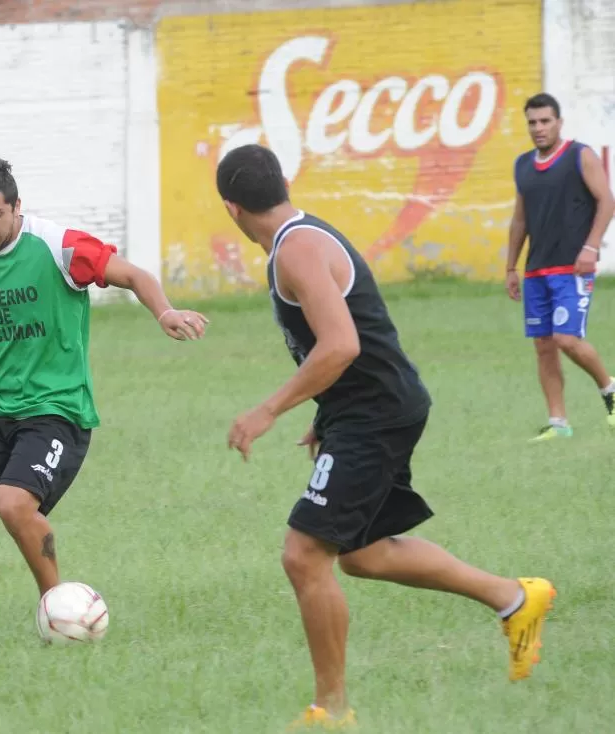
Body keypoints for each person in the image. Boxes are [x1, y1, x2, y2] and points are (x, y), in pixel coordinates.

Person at [217, 143, 556, 729]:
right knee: (364, 555)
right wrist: (326, 416)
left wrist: (267, 410)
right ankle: (516, 598)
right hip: (370, 408)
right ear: (283, 183)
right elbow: (359, 340)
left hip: (378, 413)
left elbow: (343, 344)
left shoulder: (296, 249)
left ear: (231, 208)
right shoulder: (301, 238)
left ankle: (333, 710)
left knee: (304, 554)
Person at [0, 157, 208, 644]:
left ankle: (59, 610)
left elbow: (134, 275)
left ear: (16, 206)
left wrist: (164, 312)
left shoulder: (60, 247)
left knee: (14, 505)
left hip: (58, 408)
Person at [507, 92, 615, 442]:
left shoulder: (578, 155)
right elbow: (519, 220)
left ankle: (609, 389)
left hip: (572, 267)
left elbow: (607, 201)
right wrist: (511, 267)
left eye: (545, 121)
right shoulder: (523, 165)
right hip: (537, 270)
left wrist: (591, 247)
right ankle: (558, 423)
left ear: (559, 122)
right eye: (532, 122)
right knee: (543, 346)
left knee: (566, 338)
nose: (538, 128)